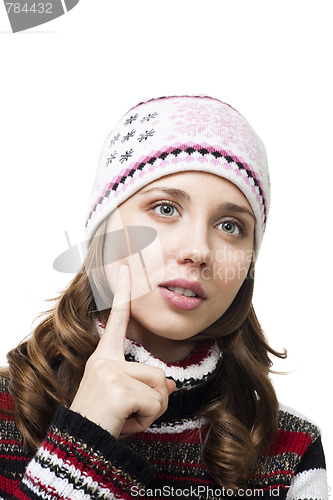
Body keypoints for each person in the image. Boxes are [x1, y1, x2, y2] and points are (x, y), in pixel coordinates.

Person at [0, 95, 328, 500]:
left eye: (230, 225)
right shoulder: (6, 415)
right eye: (166, 209)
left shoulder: (289, 450)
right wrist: (81, 443)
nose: (197, 250)